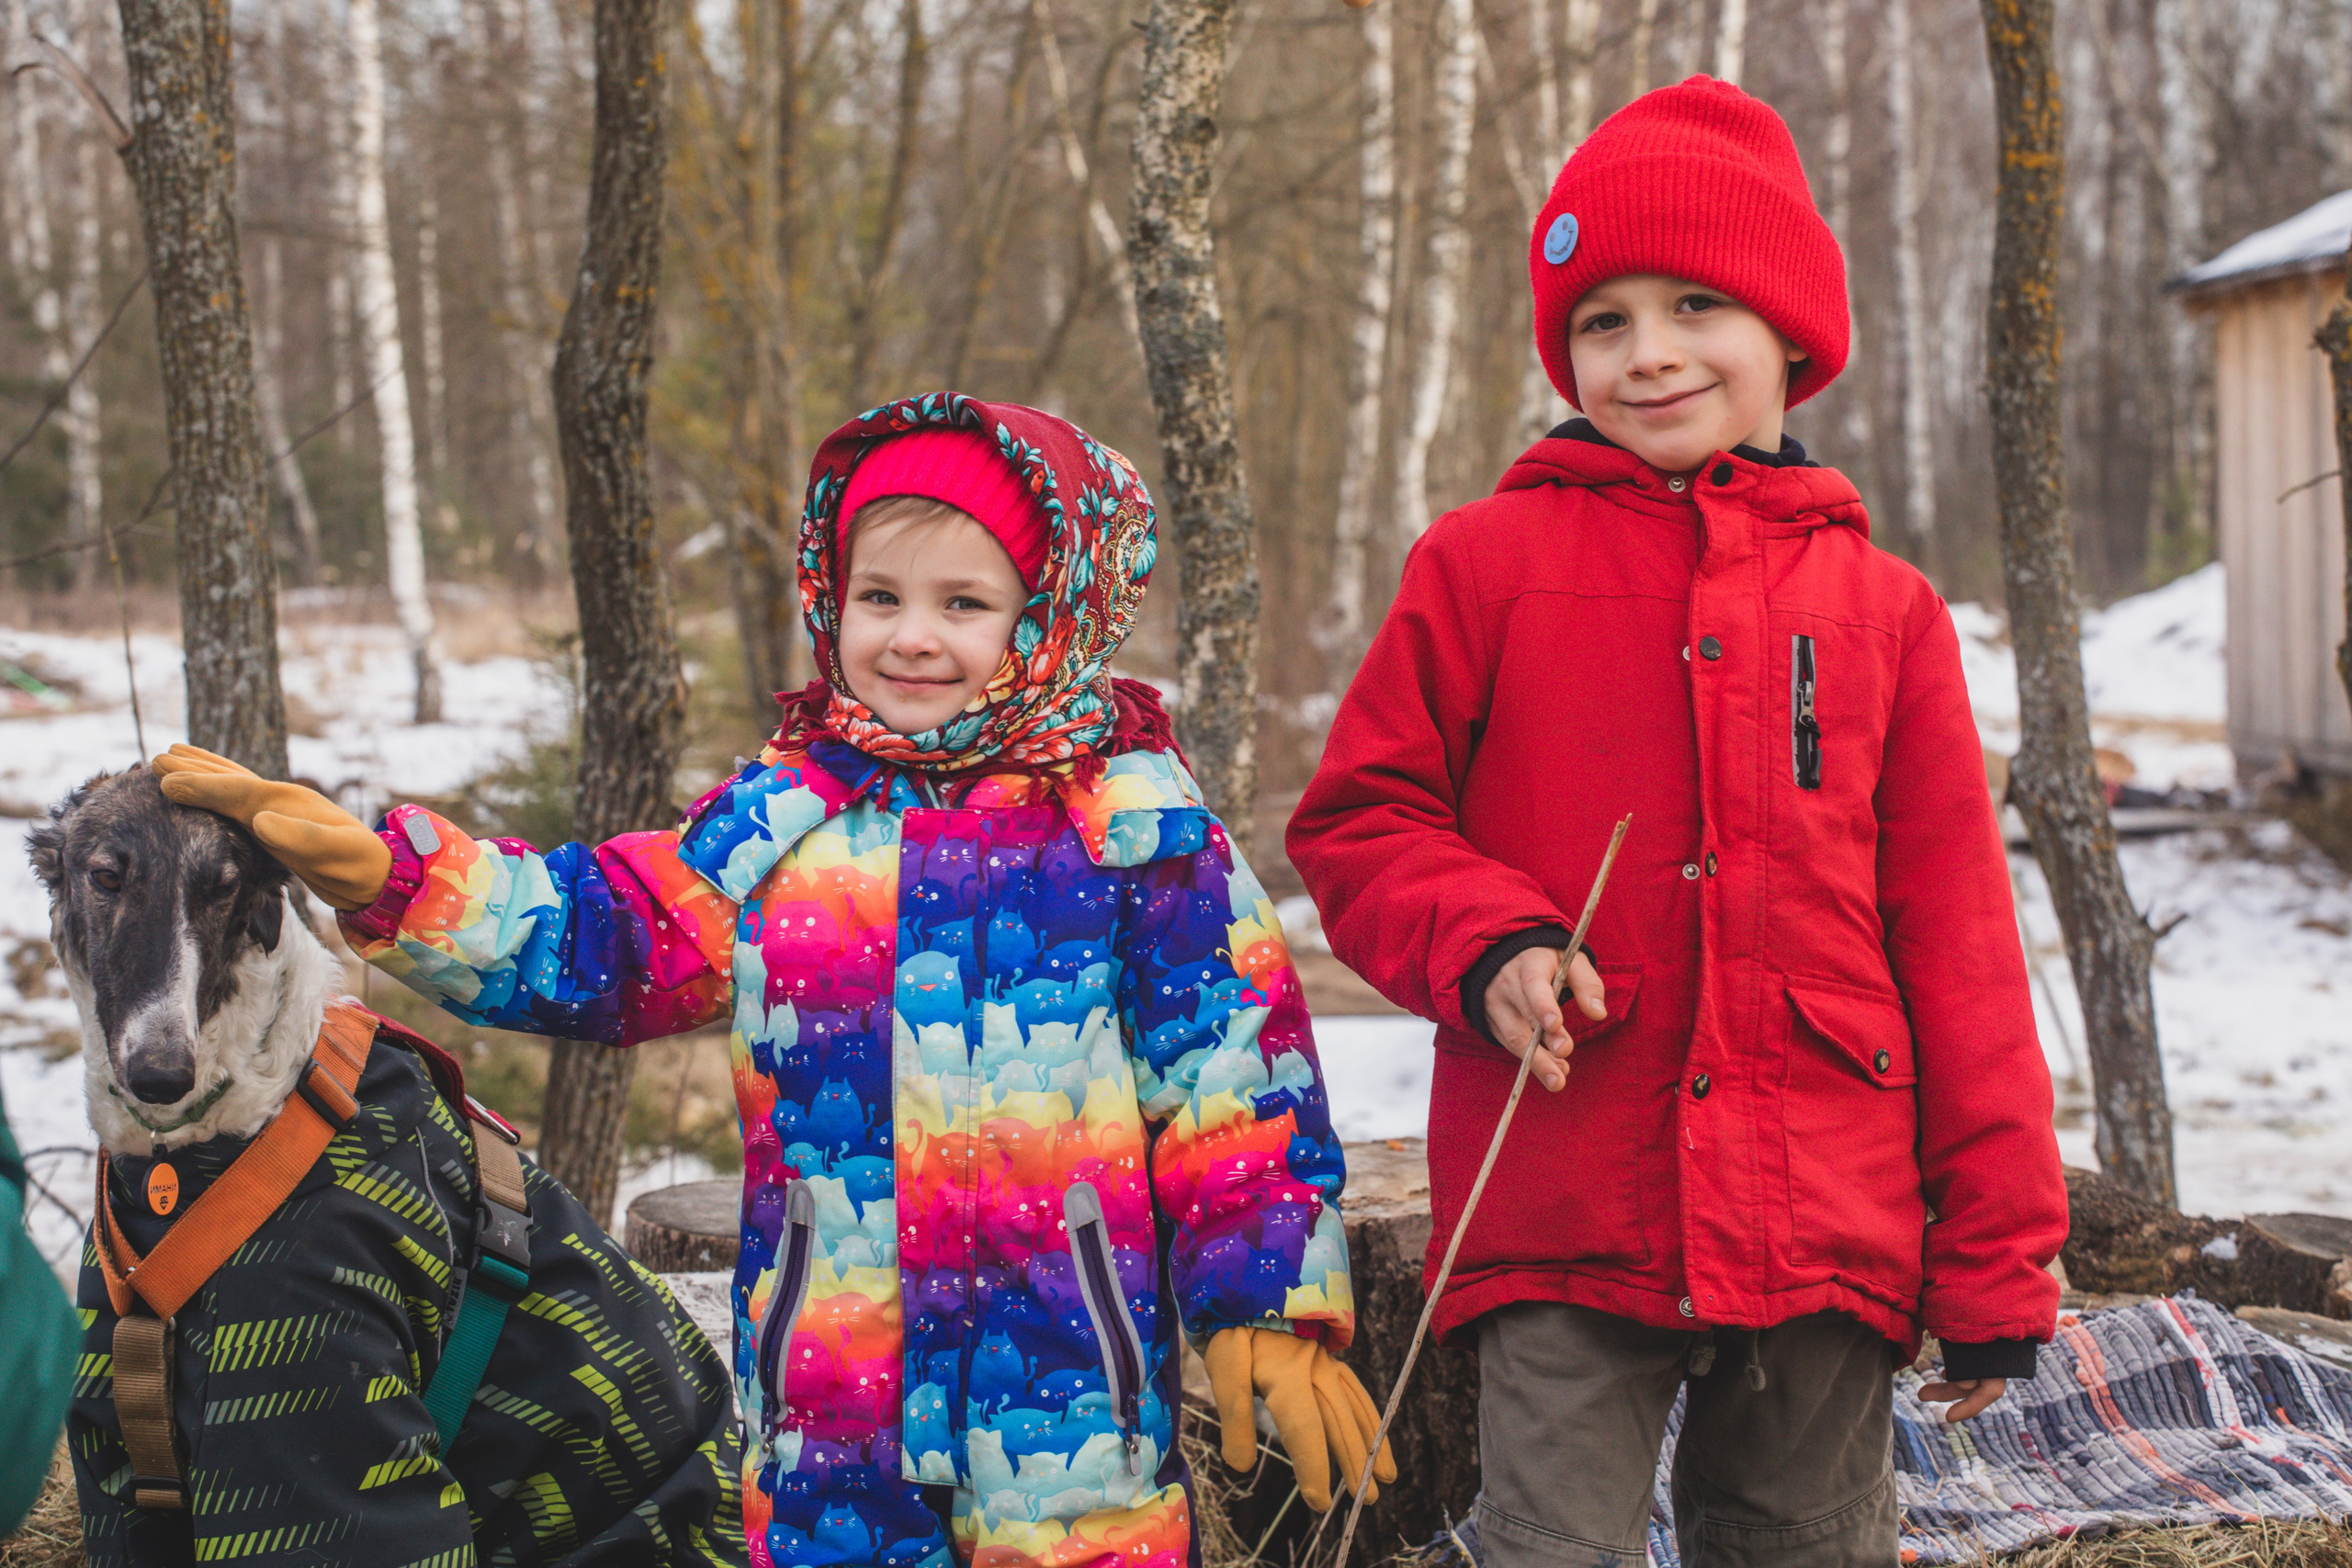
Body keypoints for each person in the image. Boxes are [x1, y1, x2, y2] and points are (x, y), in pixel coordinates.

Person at [159, 393, 1391, 1568]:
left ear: (1045, 617)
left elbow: (1235, 1077)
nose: (911, 635)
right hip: (832, 1401)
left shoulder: (1130, 828)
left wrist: (1270, 1302)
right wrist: (392, 876)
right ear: (830, 599)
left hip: (1070, 1398)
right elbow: (605, 931)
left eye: (964, 602)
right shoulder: (788, 819)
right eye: (880, 595)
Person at [1287, 77, 2067, 1568]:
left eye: (1694, 303)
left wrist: (1996, 1265)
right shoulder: (1482, 566)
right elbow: (1361, 820)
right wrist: (1487, 938)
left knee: (1802, 1539)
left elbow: (1961, 948)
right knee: (1548, 1546)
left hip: (1829, 1208)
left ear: (1790, 332)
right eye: (1603, 319)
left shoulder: (1886, 614)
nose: (1647, 353)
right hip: (1569, 1192)